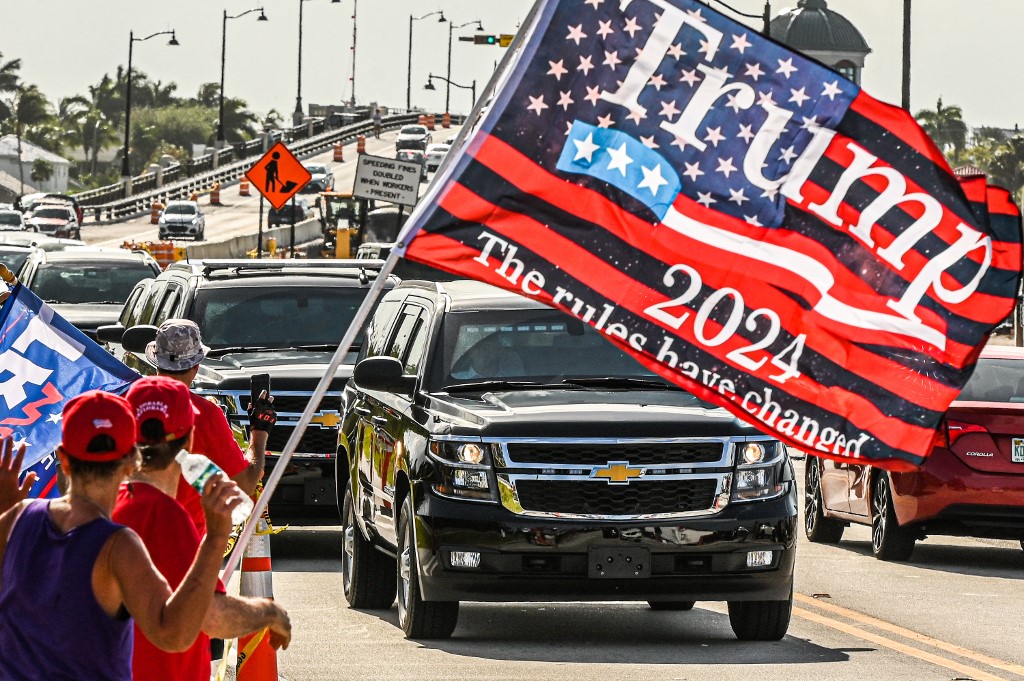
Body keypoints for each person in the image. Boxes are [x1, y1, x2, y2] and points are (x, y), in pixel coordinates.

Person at [0, 391, 244, 681]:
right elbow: (173, 635)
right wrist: (215, 539)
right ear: (131, 461)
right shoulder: (118, 546)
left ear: (63, 459)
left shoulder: (16, 518)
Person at [114, 376, 290, 681]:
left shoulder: (111, 507)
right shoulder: (168, 518)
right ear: (191, 439)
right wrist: (270, 613)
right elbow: (213, 616)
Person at [146, 319, 277, 535]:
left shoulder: (126, 404)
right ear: (196, 367)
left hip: (127, 541)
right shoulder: (205, 415)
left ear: (156, 362)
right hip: (183, 543)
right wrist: (259, 434)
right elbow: (244, 484)